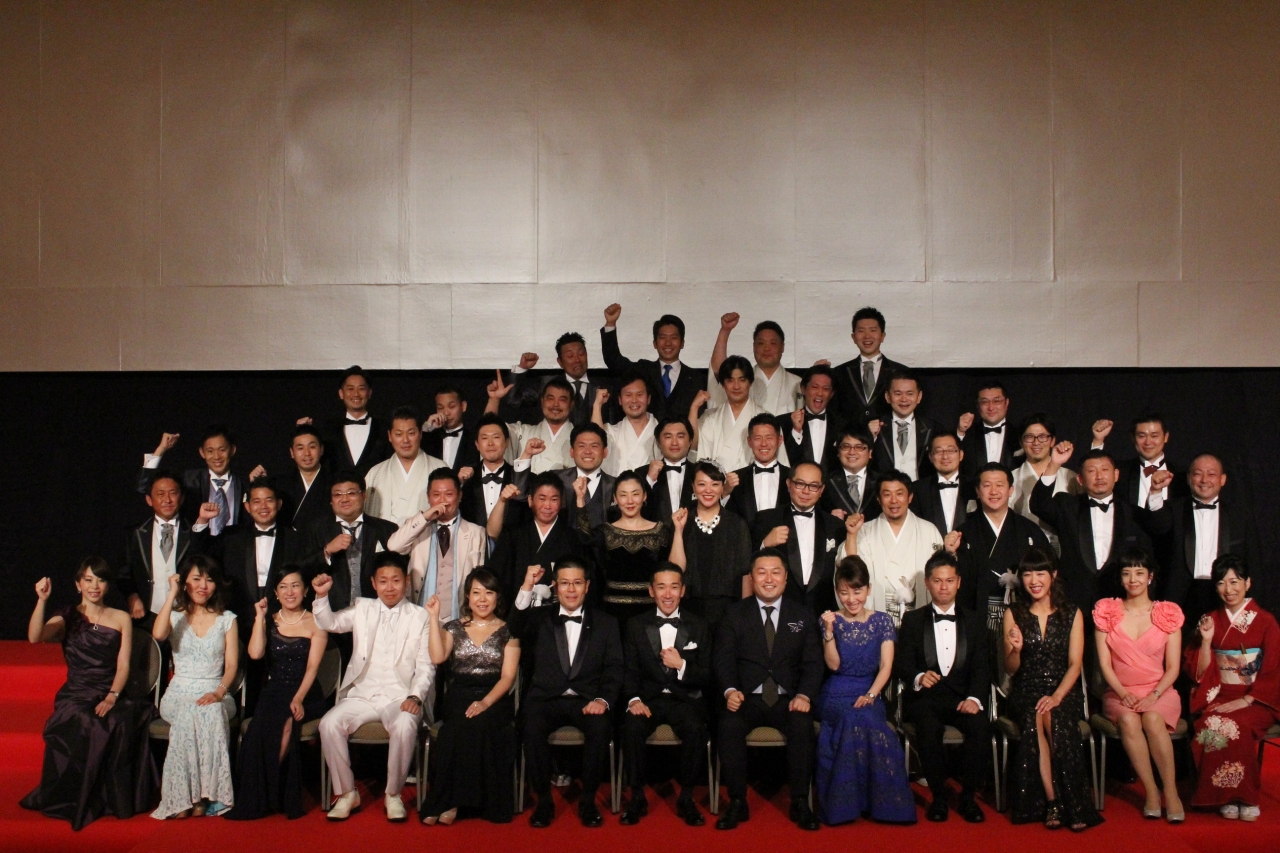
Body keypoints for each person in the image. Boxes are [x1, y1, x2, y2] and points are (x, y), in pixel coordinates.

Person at [21, 560, 156, 830]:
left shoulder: (121, 617)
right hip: (77, 693)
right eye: (88, 580)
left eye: (101, 580)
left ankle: (111, 798)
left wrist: (112, 695)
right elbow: (35, 637)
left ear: (107, 585)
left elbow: (124, 666)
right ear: (78, 584)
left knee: (118, 721)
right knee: (89, 722)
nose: (95, 586)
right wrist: (42, 601)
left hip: (111, 691)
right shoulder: (67, 616)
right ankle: (79, 796)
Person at [313, 554, 435, 822]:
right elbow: (330, 623)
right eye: (383, 581)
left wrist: (415, 696)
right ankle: (347, 793)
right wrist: (321, 596)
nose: (390, 587)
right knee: (328, 724)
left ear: (406, 581)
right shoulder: (362, 608)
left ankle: (393, 794)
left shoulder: (420, 616)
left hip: (400, 696)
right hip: (362, 695)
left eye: (395, 580)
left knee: (405, 724)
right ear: (373, 583)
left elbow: (426, 666)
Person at [713, 548, 823, 831]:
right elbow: (723, 659)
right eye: (761, 573)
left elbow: (813, 662)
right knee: (728, 724)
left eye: (776, 572)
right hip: (747, 697)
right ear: (752, 578)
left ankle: (800, 802)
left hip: (789, 699)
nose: (769, 579)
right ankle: (737, 801)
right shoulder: (734, 614)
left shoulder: (802, 615)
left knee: (802, 725)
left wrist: (804, 695)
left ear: (786, 578)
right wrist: (730, 690)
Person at [508, 561, 624, 828]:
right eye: (564, 583)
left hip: (588, 700)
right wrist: (526, 586)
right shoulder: (538, 618)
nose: (571, 589)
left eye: (577, 583)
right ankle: (544, 802)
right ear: (554, 586)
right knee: (531, 727)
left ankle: (588, 801)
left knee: (601, 727)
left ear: (587, 586)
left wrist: (602, 700)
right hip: (545, 699)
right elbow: (514, 627)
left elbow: (615, 668)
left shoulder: (606, 623)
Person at [1002, 549, 1101, 830]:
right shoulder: (1014, 613)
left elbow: (1075, 664)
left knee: (1052, 715)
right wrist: (1016, 649)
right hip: (1026, 689)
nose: (1034, 580)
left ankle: (1069, 803)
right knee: (1037, 716)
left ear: (1053, 575)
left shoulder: (1072, 613)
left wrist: (1057, 696)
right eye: (1027, 574)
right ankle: (1053, 800)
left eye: (1040, 573)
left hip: (1064, 690)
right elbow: (1010, 669)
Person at [814, 556, 916, 825]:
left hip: (870, 691)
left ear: (868, 589)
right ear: (837, 591)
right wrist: (828, 632)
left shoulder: (882, 621)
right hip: (836, 693)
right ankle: (845, 805)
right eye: (844, 592)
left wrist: (871, 695)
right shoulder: (830, 620)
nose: (851, 599)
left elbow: (886, 666)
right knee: (850, 717)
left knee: (867, 719)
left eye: (857, 591)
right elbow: (833, 665)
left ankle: (875, 803)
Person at [225, 566, 329, 820]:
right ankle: (259, 795)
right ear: (275, 592)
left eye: (295, 585)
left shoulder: (317, 622)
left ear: (305, 590)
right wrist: (260, 618)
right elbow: (255, 654)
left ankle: (270, 792)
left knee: (286, 727)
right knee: (257, 731)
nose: (289, 592)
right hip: (274, 691)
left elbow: (313, 668)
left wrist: (299, 698)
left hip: (306, 692)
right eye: (283, 587)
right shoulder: (269, 620)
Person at [894, 551, 989, 823]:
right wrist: (918, 676)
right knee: (927, 727)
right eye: (937, 581)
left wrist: (974, 698)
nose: (943, 587)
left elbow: (982, 667)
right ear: (927, 583)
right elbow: (901, 663)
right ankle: (938, 797)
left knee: (980, 727)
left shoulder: (974, 620)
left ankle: (968, 798)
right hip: (927, 699)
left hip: (962, 698)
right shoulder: (913, 620)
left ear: (958, 582)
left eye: (949, 581)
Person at [1184, 555, 1280, 821]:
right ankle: (1224, 795)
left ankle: (1246, 797)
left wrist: (1249, 699)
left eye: (1235, 581)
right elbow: (1199, 671)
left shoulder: (1266, 621)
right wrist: (1206, 641)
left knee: (1236, 724)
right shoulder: (1210, 619)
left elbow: (1274, 668)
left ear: (1248, 583)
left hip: (1256, 698)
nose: (1228, 589)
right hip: (1219, 693)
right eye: (1221, 583)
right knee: (1211, 722)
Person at [420, 569, 520, 825]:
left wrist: (485, 702)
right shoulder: (453, 627)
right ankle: (449, 800)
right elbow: (437, 657)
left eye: (489, 592)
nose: (482, 599)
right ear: (467, 596)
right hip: (459, 695)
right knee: (456, 728)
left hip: (494, 697)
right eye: (476, 593)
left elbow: (508, 677)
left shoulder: (509, 631)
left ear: (497, 597)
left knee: (480, 724)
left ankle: (460, 801)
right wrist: (433, 618)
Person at [618, 563, 712, 827]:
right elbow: (628, 670)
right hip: (647, 699)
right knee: (631, 727)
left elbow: (707, 675)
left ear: (682, 591)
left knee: (696, 728)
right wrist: (634, 700)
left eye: (674, 587)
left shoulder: (700, 625)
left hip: (684, 699)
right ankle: (637, 797)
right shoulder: (635, 625)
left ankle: (687, 798)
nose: (668, 594)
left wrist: (681, 665)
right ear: (651, 591)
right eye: (661, 587)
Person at [1094, 552, 1185, 821]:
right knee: (1129, 721)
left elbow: (1173, 668)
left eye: (1139, 573)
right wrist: (1124, 694)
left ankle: (1172, 792)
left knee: (1154, 719)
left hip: (1160, 691)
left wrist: (1154, 695)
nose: (1133, 579)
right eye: (1126, 573)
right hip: (1120, 692)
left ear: (1150, 577)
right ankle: (1152, 792)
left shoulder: (1167, 614)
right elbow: (1105, 665)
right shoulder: (1106, 612)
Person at [1029, 444, 1170, 617]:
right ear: (1080, 479)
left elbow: (1160, 527)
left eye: (1104, 470)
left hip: (1119, 604)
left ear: (1116, 475)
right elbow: (1039, 505)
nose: (1099, 476)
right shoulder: (1068, 506)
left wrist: (1155, 492)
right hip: (1073, 603)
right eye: (1091, 471)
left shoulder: (1132, 513)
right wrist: (1054, 464)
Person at [150, 555, 239, 819]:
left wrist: (218, 693)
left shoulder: (227, 619)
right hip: (179, 693)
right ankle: (183, 797)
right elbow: (158, 634)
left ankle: (206, 797)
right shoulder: (175, 616)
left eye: (209, 580)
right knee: (189, 712)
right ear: (184, 582)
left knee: (210, 712)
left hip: (216, 690)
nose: (203, 586)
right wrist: (171, 594)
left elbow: (231, 666)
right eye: (197, 579)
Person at [840, 470, 950, 622]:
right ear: (878, 499)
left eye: (899, 494)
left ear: (910, 497)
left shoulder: (928, 530)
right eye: (887, 494)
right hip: (876, 616)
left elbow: (939, 573)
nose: (893, 500)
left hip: (918, 616)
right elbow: (850, 571)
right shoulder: (863, 531)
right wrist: (852, 535)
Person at [955, 463, 1052, 624]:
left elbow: (1048, 571)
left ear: (1010, 490)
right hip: (977, 614)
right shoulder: (963, 532)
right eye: (987, 485)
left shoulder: (1029, 530)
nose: (994, 491)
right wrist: (950, 552)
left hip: (1023, 613)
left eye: (1000, 485)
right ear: (977, 491)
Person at [1159, 453, 1252, 621]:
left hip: (1224, 597)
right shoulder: (1172, 510)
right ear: (1188, 478)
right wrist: (1155, 492)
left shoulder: (1239, 516)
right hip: (1180, 599)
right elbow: (1154, 524)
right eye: (1198, 474)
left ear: (1222, 479)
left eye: (1211, 474)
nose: (1204, 480)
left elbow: (1252, 562)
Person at [388, 468, 487, 619]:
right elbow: (393, 546)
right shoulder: (418, 528)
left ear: (459, 496)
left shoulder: (476, 532)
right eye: (436, 495)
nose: (442, 500)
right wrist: (425, 517)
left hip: (460, 616)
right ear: (428, 497)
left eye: (449, 494)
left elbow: (481, 580)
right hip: (420, 615)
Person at [577, 471, 674, 624]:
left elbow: (671, 568)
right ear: (615, 499)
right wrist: (580, 498)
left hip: (650, 610)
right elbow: (585, 538)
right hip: (612, 612)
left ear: (644, 496)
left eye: (635, 494)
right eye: (623, 495)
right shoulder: (606, 531)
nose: (630, 501)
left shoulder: (661, 531)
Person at [752, 462, 847, 617]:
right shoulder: (767, 519)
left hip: (822, 611)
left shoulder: (835, 525)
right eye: (800, 484)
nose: (806, 491)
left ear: (821, 490)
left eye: (813, 486)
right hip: (779, 609)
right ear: (789, 484)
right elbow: (748, 564)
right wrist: (765, 544)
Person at [120, 470, 213, 624]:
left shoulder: (194, 530)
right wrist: (132, 596)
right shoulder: (135, 533)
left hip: (187, 616)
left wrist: (202, 522)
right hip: (147, 616)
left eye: (173, 493)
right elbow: (123, 574)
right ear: (149, 499)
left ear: (181, 498)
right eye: (160, 494)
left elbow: (202, 562)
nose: (167, 500)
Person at [300, 471, 399, 614]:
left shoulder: (386, 529)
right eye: (337, 494)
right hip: (331, 613)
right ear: (331, 500)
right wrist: (327, 551)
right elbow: (302, 569)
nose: (344, 499)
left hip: (377, 612)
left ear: (363, 495)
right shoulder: (315, 530)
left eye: (351, 493)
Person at [667, 462, 753, 628]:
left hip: (728, 612)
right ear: (693, 487)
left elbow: (745, 574)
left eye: (715, 484)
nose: (708, 490)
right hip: (688, 609)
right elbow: (676, 570)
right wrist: (678, 530)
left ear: (722, 488)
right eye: (702, 484)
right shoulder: (682, 521)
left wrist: (746, 613)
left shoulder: (737, 524)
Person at [138, 425, 252, 536]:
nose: (216, 457)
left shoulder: (244, 482)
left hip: (234, 546)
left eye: (222, 450)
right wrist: (161, 449)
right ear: (202, 452)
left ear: (232, 450)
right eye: (210, 451)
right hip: (196, 545)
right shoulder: (189, 479)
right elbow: (144, 487)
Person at [601, 303, 704, 422]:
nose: (668, 343)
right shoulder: (643, 370)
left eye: (674, 338)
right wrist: (610, 323)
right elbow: (614, 361)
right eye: (663, 337)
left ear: (682, 343)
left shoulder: (695, 379)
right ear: (655, 343)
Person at [486, 473, 579, 602]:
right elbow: (497, 574)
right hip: (516, 609)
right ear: (530, 500)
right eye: (542, 499)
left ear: (561, 502)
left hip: (557, 611)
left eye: (554, 499)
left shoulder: (572, 538)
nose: (547, 506)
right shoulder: (514, 534)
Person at [363, 406, 447, 527]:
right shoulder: (375, 473)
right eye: (399, 434)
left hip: (428, 537)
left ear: (420, 433)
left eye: (411, 433)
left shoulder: (439, 468)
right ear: (390, 436)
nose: (405, 440)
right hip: (385, 539)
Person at [506, 331, 611, 427]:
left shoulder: (604, 386)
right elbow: (513, 400)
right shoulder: (546, 384)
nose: (577, 360)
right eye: (570, 356)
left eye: (581, 354)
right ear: (560, 362)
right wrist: (522, 367)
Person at [1009, 413, 1081, 552]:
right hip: (1027, 551)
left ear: (1052, 440)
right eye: (1029, 437)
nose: (1036, 442)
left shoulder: (1070, 477)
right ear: (1021, 442)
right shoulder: (1011, 478)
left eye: (1042, 436)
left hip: (1067, 550)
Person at [708, 314, 801, 416]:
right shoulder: (740, 382)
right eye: (761, 343)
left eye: (773, 343)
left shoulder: (797, 384)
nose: (766, 348)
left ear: (782, 347)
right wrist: (725, 331)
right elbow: (719, 373)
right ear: (753, 347)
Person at [305, 365, 389, 476]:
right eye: (350, 389)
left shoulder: (385, 428)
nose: (356, 394)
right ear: (341, 393)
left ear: (369, 393)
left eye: (361, 388)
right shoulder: (327, 430)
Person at [1092, 414, 1189, 509]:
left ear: (1166, 437)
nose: (1148, 442)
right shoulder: (1120, 472)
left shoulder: (1182, 475)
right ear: (1133, 438)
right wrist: (1098, 440)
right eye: (1142, 436)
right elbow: (1094, 472)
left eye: (1154, 436)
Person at [484, 371, 574, 474]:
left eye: (562, 399)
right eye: (550, 398)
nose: (555, 405)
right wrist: (494, 400)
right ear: (542, 401)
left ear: (572, 404)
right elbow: (489, 430)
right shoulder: (523, 433)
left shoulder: (580, 439)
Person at [832, 307, 907, 428]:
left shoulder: (900, 372)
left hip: (887, 437)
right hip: (852, 438)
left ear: (882, 336)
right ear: (853, 337)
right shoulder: (839, 373)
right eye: (861, 331)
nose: (867, 336)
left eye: (873, 330)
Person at [459, 414, 529, 535]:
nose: (490, 443)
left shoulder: (521, 478)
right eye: (484, 438)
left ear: (507, 442)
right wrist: (458, 484)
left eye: (496, 437)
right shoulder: (465, 478)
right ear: (477, 444)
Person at [693, 355, 765, 474]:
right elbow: (694, 447)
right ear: (723, 384)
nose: (736, 386)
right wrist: (694, 407)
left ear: (750, 382)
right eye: (730, 380)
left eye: (742, 380)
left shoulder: (764, 417)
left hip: (752, 482)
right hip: (716, 482)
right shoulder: (710, 418)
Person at [725, 414, 790, 527]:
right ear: (749, 441)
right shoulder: (736, 479)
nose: (763, 443)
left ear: (780, 440)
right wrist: (725, 491)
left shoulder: (793, 477)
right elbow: (727, 518)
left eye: (769, 438)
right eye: (758, 438)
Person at [871, 371, 937, 482]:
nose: (904, 399)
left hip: (921, 490)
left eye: (910, 394)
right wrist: (869, 437)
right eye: (898, 394)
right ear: (888, 396)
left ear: (919, 396)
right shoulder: (873, 426)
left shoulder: (933, 428)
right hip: (884, 490)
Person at [593, 373, 659, 477]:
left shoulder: (662, 431)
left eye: (639, 394)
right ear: (620, 400)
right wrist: (597, 404)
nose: (634, 400)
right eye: (628, 395)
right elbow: (594, 439)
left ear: (649, 398)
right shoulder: (611, 431)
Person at [781, 365, 842, 474]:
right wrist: (796, 431)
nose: (820, 393)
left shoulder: (842, 424)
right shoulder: (784, 422)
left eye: (826, 388)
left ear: (831, 394)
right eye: (814, 387)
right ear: (803, 389)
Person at [556, 423, 616, 530]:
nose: (587, 451)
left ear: (605, 452)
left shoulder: (616, 485)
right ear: (572, 452)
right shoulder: (556, 479)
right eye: (581, 446)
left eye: (594, 446)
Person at [912, 431, 970, 537]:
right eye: (938, 451)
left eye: (950, 450)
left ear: (961, 455)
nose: (945, 456)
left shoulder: (973, 486)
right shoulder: (917, 489)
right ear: (930, 457)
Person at [957, 380, 1018, 483]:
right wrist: (960, 432)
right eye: (984, 402)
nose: (991, 407)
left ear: (1006, 403)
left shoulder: (1020, 435)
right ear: (977, 405)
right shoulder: (967, 434)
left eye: (996, 401)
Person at [277, 424, 333, 532]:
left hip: (326, 540)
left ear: (321, 449)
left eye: (312, 447)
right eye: (300, 448)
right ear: (292, 452)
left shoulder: (335, 482)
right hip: (289, 541)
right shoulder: (280, 485)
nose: (307, 453)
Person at [819, 425, 880, 523]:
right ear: (838, 452)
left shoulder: (881, 482)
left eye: (859, 447)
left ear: (870, 453)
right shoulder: (825, 482)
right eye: (846, 447)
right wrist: (829, 518)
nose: (852, 452)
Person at [641, 416, 696, 520]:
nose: (674, 443)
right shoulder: (642, 473)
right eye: (668, 437)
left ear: (690, 441)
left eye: (680, 436)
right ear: (658, 442)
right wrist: (649, 480)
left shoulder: (700, 473)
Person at [421, 385, 479, 479]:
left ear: (463, 406)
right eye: (440, 408)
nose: (446, 413)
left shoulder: (474, 438)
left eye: (451, 406)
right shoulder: (429, 438)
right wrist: (427, 427)